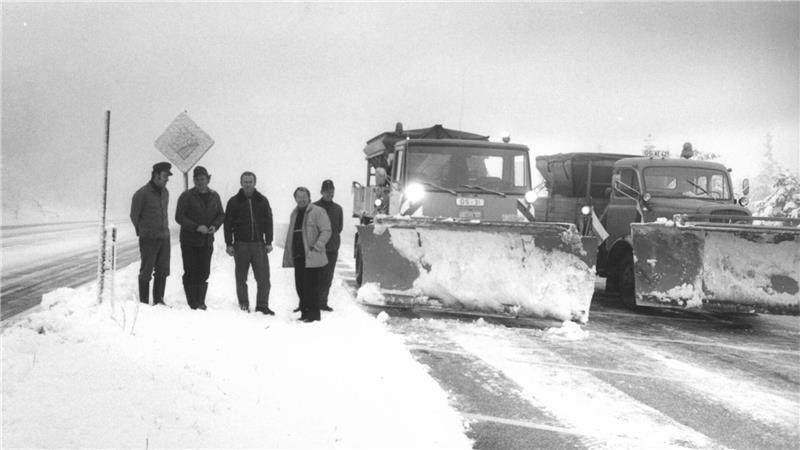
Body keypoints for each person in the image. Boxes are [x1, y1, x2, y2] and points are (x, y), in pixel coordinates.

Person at [224, 171, 274, 315]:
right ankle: (244, 304)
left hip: (259, 244)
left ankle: (262, 305)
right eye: (245, 181)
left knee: (263, 278)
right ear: (241, 183)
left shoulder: (262, 200)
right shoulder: (234, 202)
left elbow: (268, 221)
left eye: (250, 181)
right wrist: (229, 243)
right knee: (241, 277)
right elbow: (228, 224)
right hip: (241, 245)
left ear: (254, 182)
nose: (247, 184)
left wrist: (268, 241)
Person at [175, 166, 225, 310]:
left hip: (206, 241)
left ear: (208, 179)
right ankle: (193, 302)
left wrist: (214, 226)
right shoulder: (186, 196)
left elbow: (221, 215)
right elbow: (179, 217)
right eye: (196, 179)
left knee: (204, 271)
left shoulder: (215, 196)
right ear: (193, 181)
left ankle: (201, 301)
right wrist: (196, 227)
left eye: (202, 179)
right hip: (189, 241)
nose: (200, 182)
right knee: (190, 270)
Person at [283, 187, 331, 322]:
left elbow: (326, 230)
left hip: (312, 256)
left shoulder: (318, 211)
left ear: (309, 198)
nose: (302, 199)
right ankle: (304, 313)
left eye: (304, 196)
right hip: (298, 255)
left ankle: (314, 316)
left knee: (311, 287)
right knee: (300, 286)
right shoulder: (294, 213)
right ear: (295, 198)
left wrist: (317, 246)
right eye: (299, 197)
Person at [130, 162, 172, 306]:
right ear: (156, 175)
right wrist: (142, 231)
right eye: (165, 176)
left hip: (164, 238)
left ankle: (159, 300)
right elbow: (134, 216)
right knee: (146, 270)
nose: (167, 179)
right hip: (149, 239)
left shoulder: (165, 193)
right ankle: (143, 302)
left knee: (163, 270)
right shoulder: (142, 194)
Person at [313, 179, 343, 312]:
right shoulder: (313, 207)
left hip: (332, 248)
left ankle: (323, 302)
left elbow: (339, 228)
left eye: (332, 191)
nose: (330, 193)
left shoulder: (338, 209)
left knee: (327, 277)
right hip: (318, 248)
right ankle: (313, 302)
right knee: (316, 276)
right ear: (321, 192)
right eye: (327, 191)